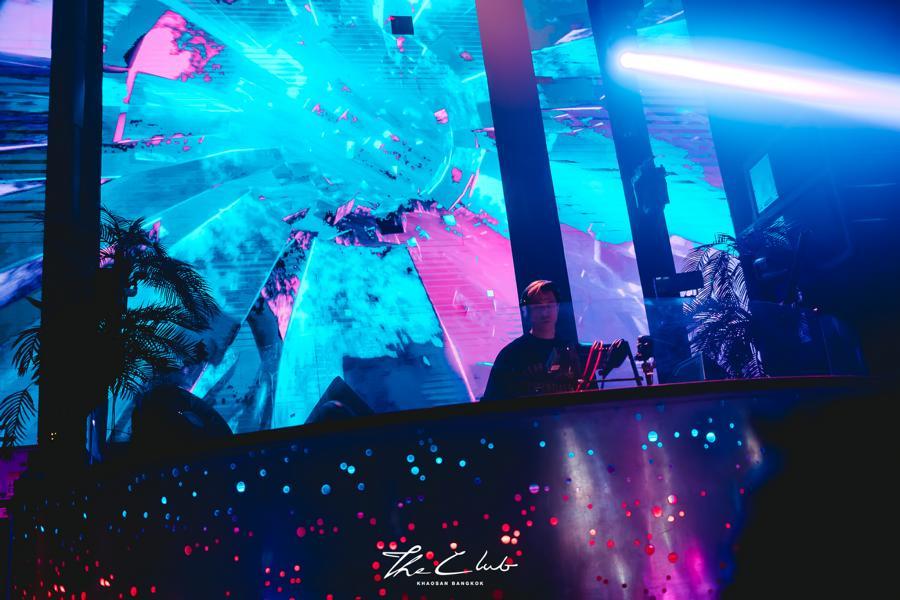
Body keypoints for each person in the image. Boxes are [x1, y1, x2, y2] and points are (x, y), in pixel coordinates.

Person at [481, 280, 582, 401]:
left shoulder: (570, 349)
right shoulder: (512, 354)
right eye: (538, 307)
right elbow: (491, 402)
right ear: (526, 311)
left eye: (549, 305)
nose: (545, 312)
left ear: (557, 307)